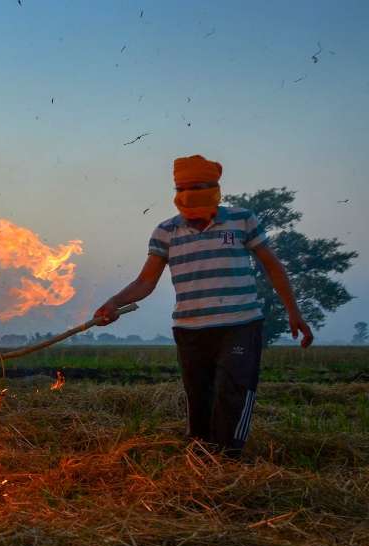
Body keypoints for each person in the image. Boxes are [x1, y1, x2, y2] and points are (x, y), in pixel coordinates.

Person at [94, 154, 313, 451]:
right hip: (190, 329)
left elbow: (272, 265)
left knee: (233, 391)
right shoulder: (166, 232)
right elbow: (145, 281)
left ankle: (228, 459)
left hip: (240, 325)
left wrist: (293, 310)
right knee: (199, 396)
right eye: (182, 190)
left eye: (197, 189)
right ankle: (200, 456)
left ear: (214, 192)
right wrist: (113, 303)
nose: (189, 199)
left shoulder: (241, 219)